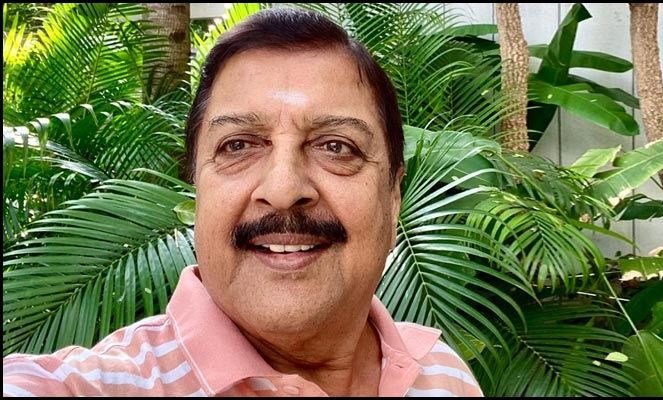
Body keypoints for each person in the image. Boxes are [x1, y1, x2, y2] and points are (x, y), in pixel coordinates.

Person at [2, 7, 483, 397]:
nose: (283, 188)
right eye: (238, 145)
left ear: (393, 198)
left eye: (337, 147)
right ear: (197, 190)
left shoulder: (438, 373)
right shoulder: (101, 385)